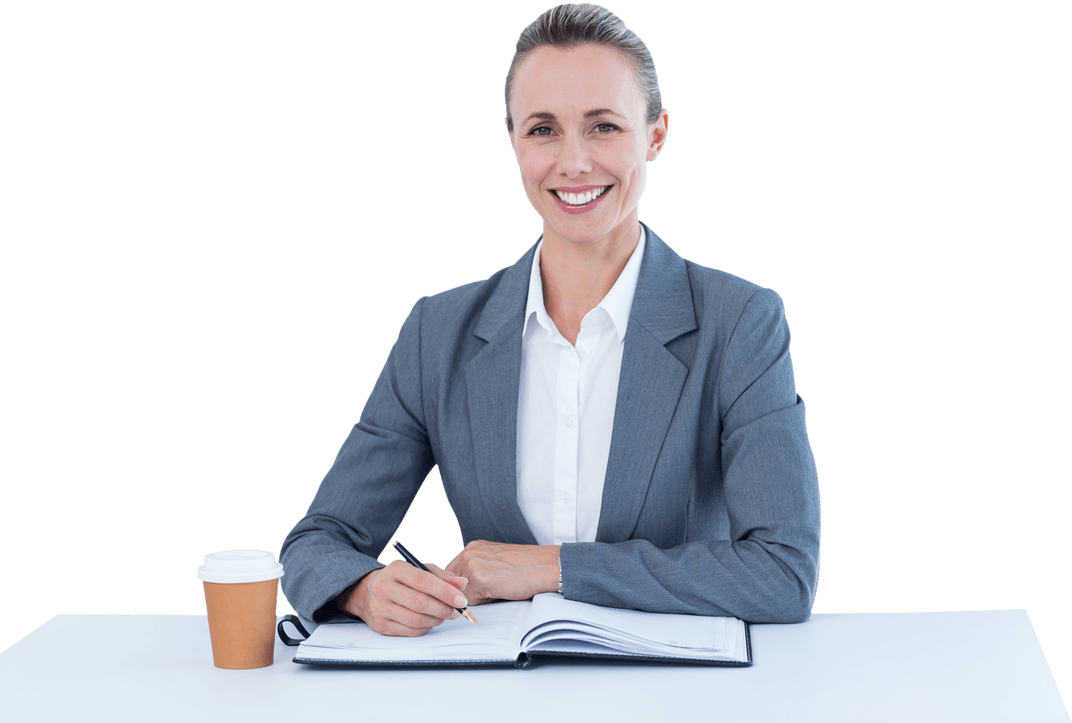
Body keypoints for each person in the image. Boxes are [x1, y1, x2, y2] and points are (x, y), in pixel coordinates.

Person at [279, 2, 821, 637]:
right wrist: (364, 591)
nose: (573, 162)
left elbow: (782, 573)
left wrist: (552, 569)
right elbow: (318, 542)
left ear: (656, 134)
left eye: (603, 127)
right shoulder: (439, 332)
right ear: (511, 139)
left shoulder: (739, 322)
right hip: (497, 691)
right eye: (542, 129)